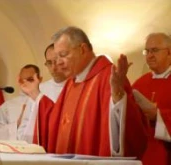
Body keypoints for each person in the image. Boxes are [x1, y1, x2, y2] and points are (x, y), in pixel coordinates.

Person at [23, 26, 148, 158]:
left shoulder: (109, 76)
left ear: (82, 49)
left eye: (63, 55)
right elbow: (55, 119)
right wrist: (36, 95)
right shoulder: (72, 82)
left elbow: (132, 132)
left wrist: (118, 97)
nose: (58, 63)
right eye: (56, 57)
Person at [132, 33, 171, 165]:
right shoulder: (139, 83)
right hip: (141, 155)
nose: (149, 55)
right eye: (147, 51)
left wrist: (158, 116)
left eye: (154, 50)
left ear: (169, 52)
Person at [0, 64, 43, 143]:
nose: (25, 84)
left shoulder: (45, 102)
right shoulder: (7, 106)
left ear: (40, 79)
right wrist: (16, 125)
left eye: (30, 80)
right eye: (22, 80)